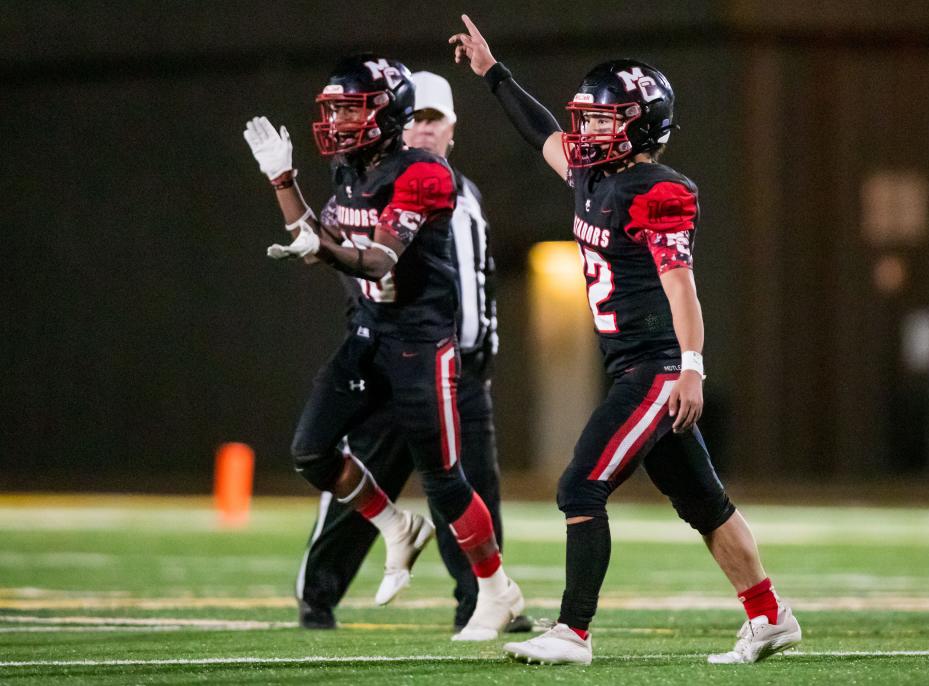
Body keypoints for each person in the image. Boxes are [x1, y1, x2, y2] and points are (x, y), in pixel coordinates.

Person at [449, 15, 802, 665]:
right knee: (704, 503)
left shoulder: (657, 192)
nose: (587, 132)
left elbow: (682, 288)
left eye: (604, 121)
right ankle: (770, 615)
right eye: (588, 119)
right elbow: (543, 135)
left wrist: (691, 366)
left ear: (640, 125)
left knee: (580, 485)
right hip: (632, 365)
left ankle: (572, 632)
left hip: (655, 364)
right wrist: (493, 73)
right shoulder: (591, 175)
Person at [243, 54, 524, 641]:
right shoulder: (350, 167)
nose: (339, 120)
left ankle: (498, 594)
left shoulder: (426, 173)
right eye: (336, 108)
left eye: (352, 108)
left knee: (448, 480)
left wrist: (318, 249)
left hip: (420, 345)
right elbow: (313, 235)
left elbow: (375, 258)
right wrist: (282, 181)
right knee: (311, 451)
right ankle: (395, 526)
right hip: (368, 335)